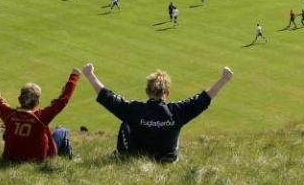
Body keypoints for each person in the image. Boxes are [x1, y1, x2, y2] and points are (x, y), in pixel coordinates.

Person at [81, 62, 233, 163]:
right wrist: (224, 79)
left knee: (126, 124)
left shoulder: (135, 109)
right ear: (167, 92)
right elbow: (203, 99)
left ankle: (121, 156)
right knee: (177, 127)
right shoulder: (177, 111)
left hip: (139, 157)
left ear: (147, 91)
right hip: (168, 159)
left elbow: (109, 98)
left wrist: (90, 75)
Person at [0, 61, 80, 162]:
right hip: (37, 160)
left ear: (19, 99)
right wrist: (74, 77)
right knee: (61, 131)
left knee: (7, 131)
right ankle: (68, 161)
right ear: (38, 102)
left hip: (11, 158)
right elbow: (62, 101)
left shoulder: (9, 115)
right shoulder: (41, 117)